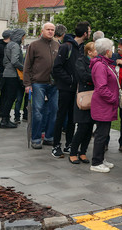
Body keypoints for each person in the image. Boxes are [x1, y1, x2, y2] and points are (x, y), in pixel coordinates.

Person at [51, 21, 89, 158]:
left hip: (78, 89)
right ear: (85, 33)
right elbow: (57, 68)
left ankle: (69, 144)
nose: (89, 33)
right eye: (89, 31)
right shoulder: (66, 47)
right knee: (61, 115)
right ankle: (56, 145)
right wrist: (71, 80)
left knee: (73, 117)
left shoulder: (82, 48)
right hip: (66, 88)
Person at [22, 22, 60, 148]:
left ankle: (49, 137)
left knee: (54, 110)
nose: (50, 32)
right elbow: (27, 65)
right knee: (37, 111)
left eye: (52, 30)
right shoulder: (34, 45)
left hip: (54, 84)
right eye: (48, 29)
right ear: (42, 31)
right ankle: (36, 138)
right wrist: (27, 84)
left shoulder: (57, 45)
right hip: (38, 83)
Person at [89, 38, 119, 173]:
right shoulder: (101, 65)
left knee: (104, 133)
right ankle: (96, 162)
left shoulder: (104, 64)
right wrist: (113, 99)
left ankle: (100, 158)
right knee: (101, 134)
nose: (113, 51)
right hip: (103, 104)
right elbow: (102, 88)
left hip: (105, 104)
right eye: (111, 48)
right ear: (107, 51)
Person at [69, 41, 96, 164]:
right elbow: (83, 76)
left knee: (90, 127)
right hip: (83, 96)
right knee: (82, 127)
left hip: (94, 97)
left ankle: (83, 152)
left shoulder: (97, 62)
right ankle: (73, 152)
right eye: (96, 49)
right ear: (89, 51)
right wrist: (95, 77)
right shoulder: (81, 61)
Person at [0, 29, 25, 128]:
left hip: (7, 73)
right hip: (13, 75)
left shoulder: (8, 44)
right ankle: (5, 120)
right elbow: (15, 61)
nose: (24, 38)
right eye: (23, 36)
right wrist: (24, 68)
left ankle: (4, 118)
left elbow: (5, 61)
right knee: (10, 98)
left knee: (7, 97)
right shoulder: (15, 46)